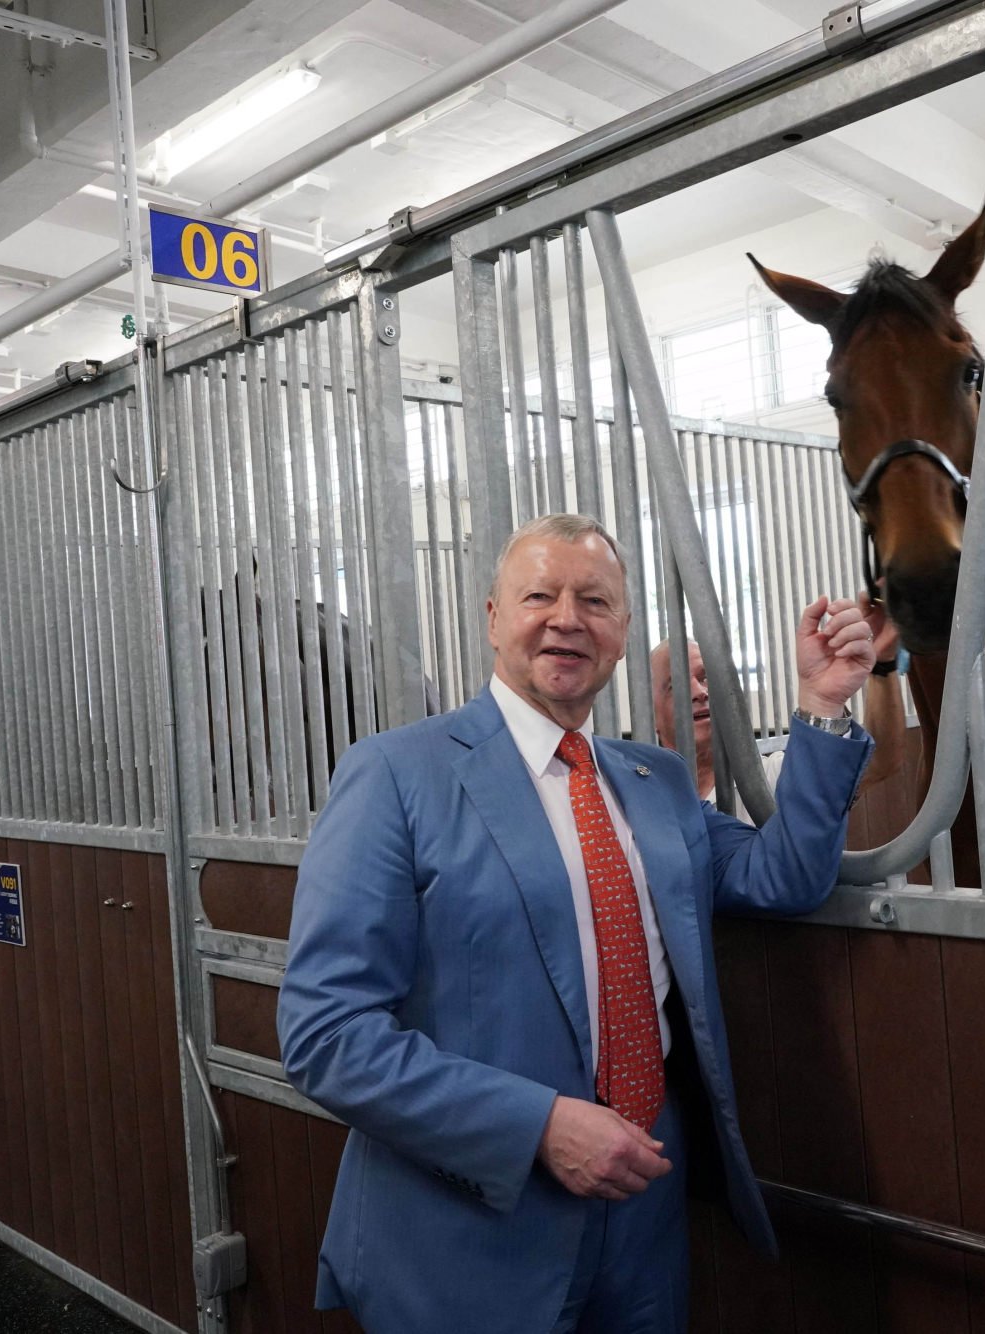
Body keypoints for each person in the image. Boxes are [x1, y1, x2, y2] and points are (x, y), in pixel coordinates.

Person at [277, 512, 881, 1334]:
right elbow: (326, 1034)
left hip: (644, 1207)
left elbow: (784, 878)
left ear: (623, 635)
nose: (567, 617)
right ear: (493, 618)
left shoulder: (656, 780)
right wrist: (537, 1127)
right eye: (539, 595)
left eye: (595, 601)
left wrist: (822, 707)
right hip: (473, 1225)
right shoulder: (395, 775)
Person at [649, 615, 905, 819]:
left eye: (705, 677)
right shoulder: (639, 800)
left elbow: (878, 761)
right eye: (677, 685)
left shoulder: (769, 778)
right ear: (653, 717)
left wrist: (882, 661)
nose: (700, 692)